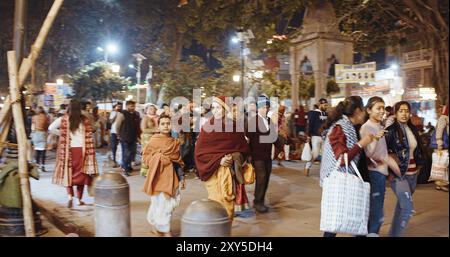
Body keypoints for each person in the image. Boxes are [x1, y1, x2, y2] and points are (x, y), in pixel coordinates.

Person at [319, 96, 377, 237]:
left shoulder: (347, 126)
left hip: (341, 179)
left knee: (340, 220)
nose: (364, 114)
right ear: (357, 111)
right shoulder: (341, 127)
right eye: (363, 110)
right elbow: (342, 158)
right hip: (337, 180)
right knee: (336, 221)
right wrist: (362, 143)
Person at [194, 96, 250, 219]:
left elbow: (244, 149)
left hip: (229, 173)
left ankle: (224, 231)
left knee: (228, 207)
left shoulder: (235, 127)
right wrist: (220, 160)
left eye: (218, 108)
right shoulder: (207, 128)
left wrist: (235, 156)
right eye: (213, 108)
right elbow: (199, 153)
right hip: (213, 172)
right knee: (216, 205)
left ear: (225, 109)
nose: (215, 111)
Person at [360, 97, 401, 236]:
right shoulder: (367, 127)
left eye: (383, 108)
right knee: (377, 215)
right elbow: (368, 153)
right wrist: (376, 139)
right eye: (378, 108)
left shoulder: (379, 126)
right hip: (374, 173)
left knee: (375, 213)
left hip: (380, 173)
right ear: (368, 110)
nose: (382, 111)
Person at [385, 101, 425, 237]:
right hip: (399, 175)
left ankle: (393, 234)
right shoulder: (390, 131)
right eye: (401, 111)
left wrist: (419, 165)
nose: (404, 114)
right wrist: (390, 172)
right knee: (408, 209)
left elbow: (418, 149)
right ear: (395, 113)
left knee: (401, 208)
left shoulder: (412, 129)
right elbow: (385, 153)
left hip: (413, 175)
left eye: (406, 111)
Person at [49, 99, 98, 208]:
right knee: (82, 175)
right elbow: (92, 130)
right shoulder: (84, 120)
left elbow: (50, 128)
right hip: (82, 151)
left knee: (68, 174)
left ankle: (70, 197)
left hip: (68, 151)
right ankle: (79, 200)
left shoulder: (63, 119)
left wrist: (62, 134)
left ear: (69, 108)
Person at [142, 114, 184, 237]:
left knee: (167, 203)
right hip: (157, 177)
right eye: (163, 124)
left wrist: (181, 178)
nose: (166, 126)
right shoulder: (153, 140)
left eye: (168, 123)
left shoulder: (175, 143)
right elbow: (145, 158)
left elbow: (178, 162)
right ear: (158, 126)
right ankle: (166, 231)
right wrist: (159, 158)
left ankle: (156, 225)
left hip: (172, 177)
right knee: (162, 203)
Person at [246, 96, 284, 213]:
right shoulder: (252, 122)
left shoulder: (268, 121)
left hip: (267, 156)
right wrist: (247, 156)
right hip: (257, 156)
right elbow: (247, 139)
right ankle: (258, 202)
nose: (265, 110)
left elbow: (273, 136)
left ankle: (260, 200)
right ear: (258, 108)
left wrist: (280, 148)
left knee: (266, 178)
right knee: (261, 178)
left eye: (267, 107)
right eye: (263, 107)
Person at [115, 100, 140, 176]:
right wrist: (118, 135)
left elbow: (137, 126)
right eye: (131, 106)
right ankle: (125, 169)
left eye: (134, 106)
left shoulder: (136, 114)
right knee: (126, 153)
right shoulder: (122, 114)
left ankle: (128, 166)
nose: (133, 108)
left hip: (133, 137)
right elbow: (117, 125)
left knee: (132, 153)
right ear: (127, 106)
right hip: (124, 137)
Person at [305, 98, 328, 176]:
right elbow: (309, 124)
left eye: (327, 105)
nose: (326, 107)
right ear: (320, 105)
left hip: (325, 137)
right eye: (325, 105)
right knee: (315, 154)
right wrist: (308, 135)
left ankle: (324, 171)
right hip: (315, 137)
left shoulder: (326, 114)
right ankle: (307, 166)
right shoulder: (313, 113)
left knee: (326, 154)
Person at [140, 104, 159, 176]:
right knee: (147, 154)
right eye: (150, 109)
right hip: (147, 138)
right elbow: (143, 129)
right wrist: (155, 130)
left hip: (156, 138)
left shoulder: (158, 117)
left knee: (155, 154)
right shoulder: (145, 118)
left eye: (154, 109)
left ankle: (153, 170)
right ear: (147, 110)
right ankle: (145, 172)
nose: (152, 110)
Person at [435, 101, 449, 192]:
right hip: (443, 144)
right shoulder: (443, 118)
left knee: (444, 164)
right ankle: (441, 183)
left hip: (446, 143)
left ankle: (442, 183)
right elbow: (439, 130)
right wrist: (439, 142)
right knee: (442, 164)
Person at [31, 107, 49, 172]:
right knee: (43, 151)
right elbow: (47, 127)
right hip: (42, 134)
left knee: (37, 151)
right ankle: (42, 166)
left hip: (35, 134)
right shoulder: (46, 117)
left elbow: (32, 127)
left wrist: (33, 134)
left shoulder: (34, 117)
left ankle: (37, 165)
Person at [109, 102, 123, 167]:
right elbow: (111, 122)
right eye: (118, 106)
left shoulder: (123, 113)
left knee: (121, 147)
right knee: (114, 147)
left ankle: (120, 161)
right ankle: (114, 161)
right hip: (114, 132)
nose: (119, 107)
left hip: (121, 132)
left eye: (120, 106)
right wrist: (116, 115)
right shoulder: (113, 113)